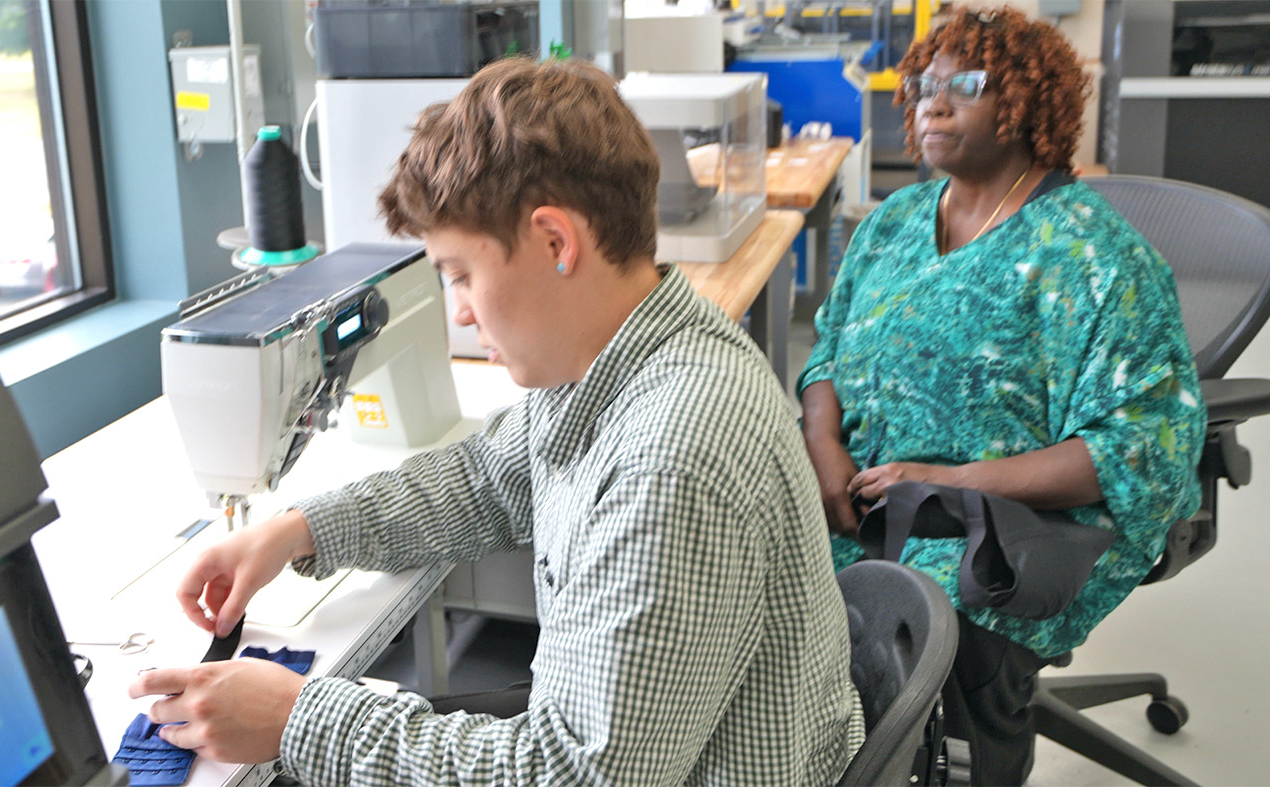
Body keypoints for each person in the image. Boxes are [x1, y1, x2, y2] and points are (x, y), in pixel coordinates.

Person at [130, 57, 866, 785]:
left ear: (555, 242)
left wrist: (299, 721)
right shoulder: (620, 353)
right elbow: (486, 476)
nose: (459, 309)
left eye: (460, 273)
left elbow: (573, 776)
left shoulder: (670, 459)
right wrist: (298, 528)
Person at [798, 6, 1206, 785]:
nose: (933, 101)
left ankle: (971, 753)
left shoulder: (1095, 256)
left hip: (1010, 523)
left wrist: (947, 479)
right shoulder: (893, 224)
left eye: (968, 85)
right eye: (922, 84)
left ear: (1028, 102)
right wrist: (823, 445)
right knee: (756, 577)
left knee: (934, 641)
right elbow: (827, 350)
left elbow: (1133, 451)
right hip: (867, 495)